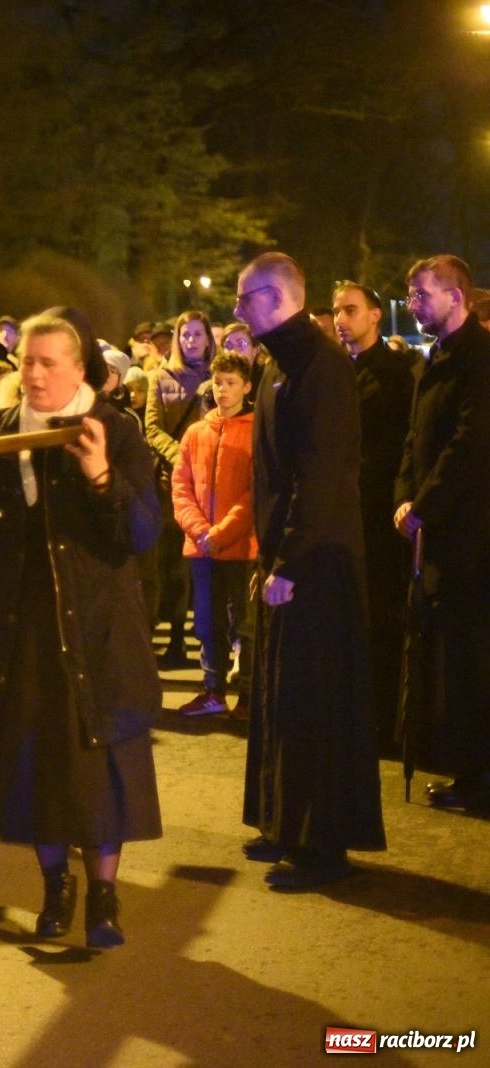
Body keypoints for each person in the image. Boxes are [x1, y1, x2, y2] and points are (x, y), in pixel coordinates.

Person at [0, 313, 161, 948]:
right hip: (23, 627)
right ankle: (55, 888)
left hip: (96, 630)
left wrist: (99, 478)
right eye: (27, 361)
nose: (32, 373)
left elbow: (142, 535)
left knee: (96, 772)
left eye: (47, 363)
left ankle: (105, 897)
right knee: (33, 767)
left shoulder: (114, 430)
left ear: (80, 368)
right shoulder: (4, 429)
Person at [235, 251, 385, 888]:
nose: (237, 311)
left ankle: (322, 847)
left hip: (318, 565)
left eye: (245, 299)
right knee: (279, 698)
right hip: (286, 558)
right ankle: (281, 823)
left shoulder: (322, 367)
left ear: (275, 298)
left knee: (315, 705)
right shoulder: (276, 364)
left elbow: (320, 476)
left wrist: (289, 559)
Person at [395, 254, 490, 811]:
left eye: (421, 294)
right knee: (453, 656)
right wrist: (404, 496)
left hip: (471, 538)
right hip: (437, 529)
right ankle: (464, 766)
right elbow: (417, 437)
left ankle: (476, 779)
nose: (412, 305)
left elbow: (469, 443)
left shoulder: (479, 359)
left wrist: (425, 504)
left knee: (472, 657)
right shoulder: (434, 358)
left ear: (457, 296)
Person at [332, 280, 415, 752]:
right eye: (338, 311)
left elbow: (394, 446)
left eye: (351, 310)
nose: (342, 319)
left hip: (380, 518)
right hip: (343, 518)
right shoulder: (337, 370)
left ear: (375, 315)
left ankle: (383, 725)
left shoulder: (396, 372)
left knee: (381, 622)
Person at [171, 351, 256, 717]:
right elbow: (181, 486)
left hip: (241, 546)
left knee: (246, 623)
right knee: (207, 620)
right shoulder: (195, 432)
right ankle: (213, 690)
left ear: (247, 386)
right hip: (202, 547)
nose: (222, 390)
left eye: (231, 383)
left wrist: (222, 532)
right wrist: (201, 531)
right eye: (218, 382)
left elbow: (255, 493)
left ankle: (250, 696)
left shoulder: (255, 430)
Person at [145, 309, 216, 667]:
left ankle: (212, 646)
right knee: (173, 564)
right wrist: (180, 456)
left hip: (213, 483)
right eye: (185, 334)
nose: (191, 340)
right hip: (171, 483)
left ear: (207, 339)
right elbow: (152, 427)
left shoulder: (218, 377)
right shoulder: (160, 377)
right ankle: (175, 638)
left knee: (208, 567)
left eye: (197, 334)